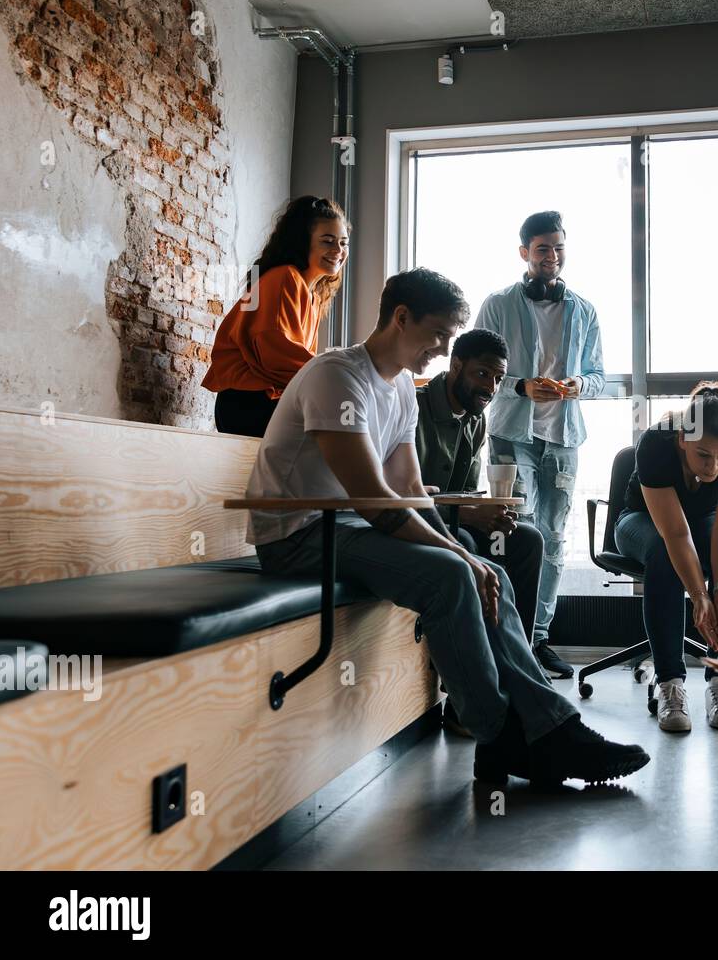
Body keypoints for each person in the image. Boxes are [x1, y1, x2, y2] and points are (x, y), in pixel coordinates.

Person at [248, 267, 649, 785]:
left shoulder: (398, 392)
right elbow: (377, 503)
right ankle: (501, 736)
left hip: (348, 530)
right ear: (400, 317)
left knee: (492, 574)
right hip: (299, 537)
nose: (441, 350)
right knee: (453, 575)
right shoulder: (338, 377)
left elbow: (412, 494)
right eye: (437, 334)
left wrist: (471, 555)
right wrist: (460, 557)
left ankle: (548, 727)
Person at [476, 210, 605, 681]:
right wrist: (521, 386)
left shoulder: (585, 310)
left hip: (564, 439)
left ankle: (539, 638)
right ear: (524, 253)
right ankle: (510, 639)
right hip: (513, 435)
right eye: (543, 249)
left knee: (552, 539)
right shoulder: (497, 304)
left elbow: (599, 376)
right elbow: (479, 369)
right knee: (518, 531)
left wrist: (577, 385)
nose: (552, 256)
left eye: (558, 247)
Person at [414, 328, 543, 738]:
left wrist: (490, 513)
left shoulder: (476, 419)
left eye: (498, 378)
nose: (490, 386)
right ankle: (462, 698)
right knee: (467, 544)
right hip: (418, 528)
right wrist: (469, 517)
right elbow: (402, 498)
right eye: (482, 374)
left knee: (527, 540)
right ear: (456, 366)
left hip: (456, 521)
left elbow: (466, 493)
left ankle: (515, 668)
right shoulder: (415, 409)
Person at [613, 381, 718, 733]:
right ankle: (670, 684)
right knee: (663, 555)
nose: (714, 467)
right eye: (703, 455)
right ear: (682, 440)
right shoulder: (657, 443)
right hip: (640, 519)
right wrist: (699, 595)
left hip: (704, 523)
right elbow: (675, 534)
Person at [203, 196, 349, 436]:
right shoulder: (284, 278)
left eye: (344, 243)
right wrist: (337, 374)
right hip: (247, 402)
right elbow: (275, 352)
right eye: (328, 241)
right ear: (304, 242)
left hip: (263, 398)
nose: (338, 251)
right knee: (342, 421)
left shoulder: (312, 296)